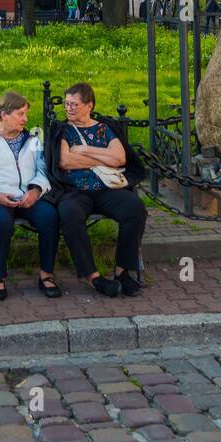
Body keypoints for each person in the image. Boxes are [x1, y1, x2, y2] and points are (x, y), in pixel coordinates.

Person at [47, 82, 147, 298]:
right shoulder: (63, 130)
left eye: (74, 104)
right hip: (75, 190)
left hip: (106, 189)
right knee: (69, 213)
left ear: (89, 105)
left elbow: (120, 158)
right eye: (66, 104)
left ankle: (122, 271)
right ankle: (91, 276)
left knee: (135, 209)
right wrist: (102, 157)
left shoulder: (104, 128)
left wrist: (85, 150)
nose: (68, 109)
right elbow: (65, 161)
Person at [0, 90, 61, 302]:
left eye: (26, 114)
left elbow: (42, 170)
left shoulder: (32, 139)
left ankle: (46, 275)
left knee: (50, 216)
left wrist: (35, 191)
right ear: (3, 115)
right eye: (20, 114)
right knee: (0, 221)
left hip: (27, 196)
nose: (25, 119)